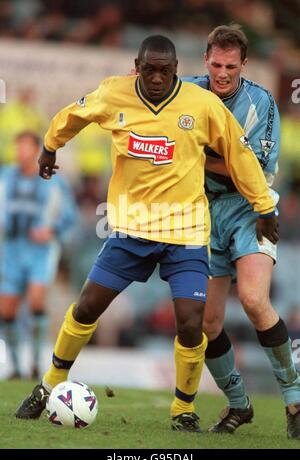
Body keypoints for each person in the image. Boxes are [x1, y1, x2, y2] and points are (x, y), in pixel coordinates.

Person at [15, 35, 278, 432]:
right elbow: (74, 114)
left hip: (186, 231)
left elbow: (240, 156)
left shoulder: (201, 104)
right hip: (130, 229)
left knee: (191, 323)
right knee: (87, 306)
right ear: (137, 66)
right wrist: (50, 147)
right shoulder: (114, 93)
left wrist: (264, 206)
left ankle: (182, 409)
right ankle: (47, 384)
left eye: (165, 70)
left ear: (176, 69)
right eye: (149, 70)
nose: (157, 78)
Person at [183, 24, 300, 439]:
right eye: (216, 63)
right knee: (206, 324)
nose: (222, 72)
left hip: (254, 208)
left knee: (253, 298)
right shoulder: (188, 93)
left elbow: (249, 169)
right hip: (203, 212)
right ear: (205, 60)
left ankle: (294, 395)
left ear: (243, 65)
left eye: (231, 66)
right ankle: (238, 404)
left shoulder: (262, 102)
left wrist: (194, 155)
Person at [0, 131, 78, 379]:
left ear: (36, 151)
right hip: (11, 249)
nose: (20, 153)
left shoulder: (54, 180)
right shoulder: (6, 176)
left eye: (25, 148)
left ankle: (34, 363)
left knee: (35, 302)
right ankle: (14, 366)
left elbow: (70, 215)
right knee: (7, 311)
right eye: (17, 147)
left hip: (39, 252)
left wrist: (51, 230)